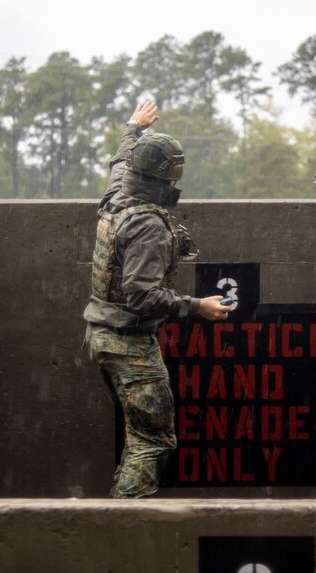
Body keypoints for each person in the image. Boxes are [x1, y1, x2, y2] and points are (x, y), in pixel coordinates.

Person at [83, 100, 231, 498]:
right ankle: (122, 526)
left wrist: (133, 127)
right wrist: (197, 306)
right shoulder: (149, 224)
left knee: (138, 431)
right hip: (128, 342)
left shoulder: (119, 195)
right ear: (168, 175)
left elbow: (119, 162)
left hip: (101, 334)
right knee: (152, 440)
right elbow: (141, 293)